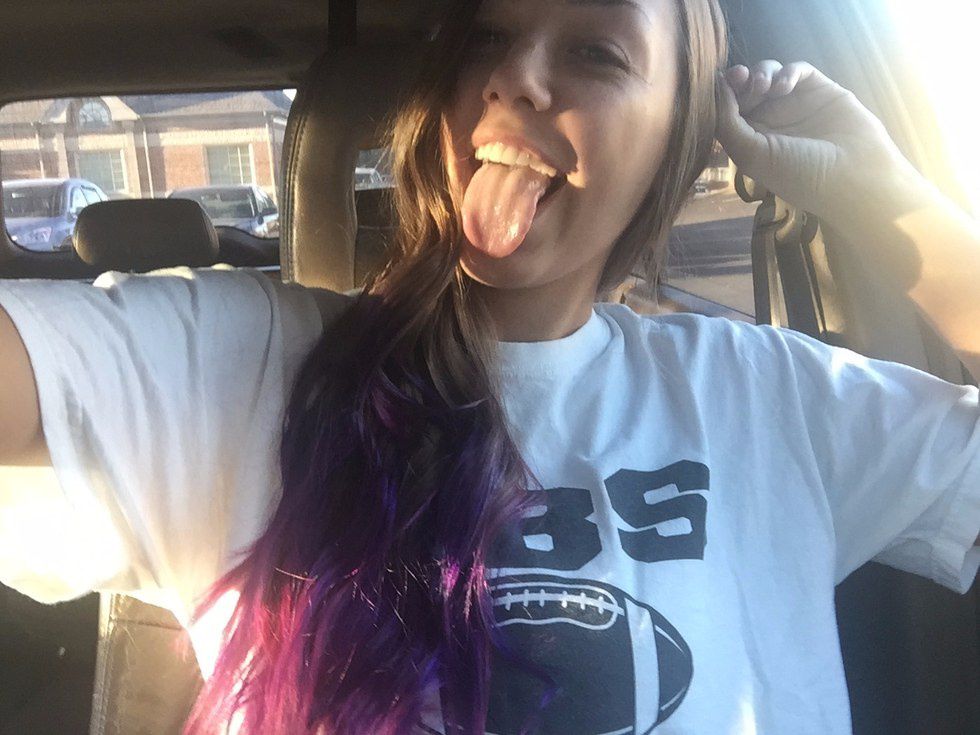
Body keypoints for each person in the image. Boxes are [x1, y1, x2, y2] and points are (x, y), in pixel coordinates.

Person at [0, 0, 978, 733]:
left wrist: (894, 207)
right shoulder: (229, 360)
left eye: (596, 52)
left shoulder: (769, 397)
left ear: (675, 147)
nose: (514, 79)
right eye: (485, 38)